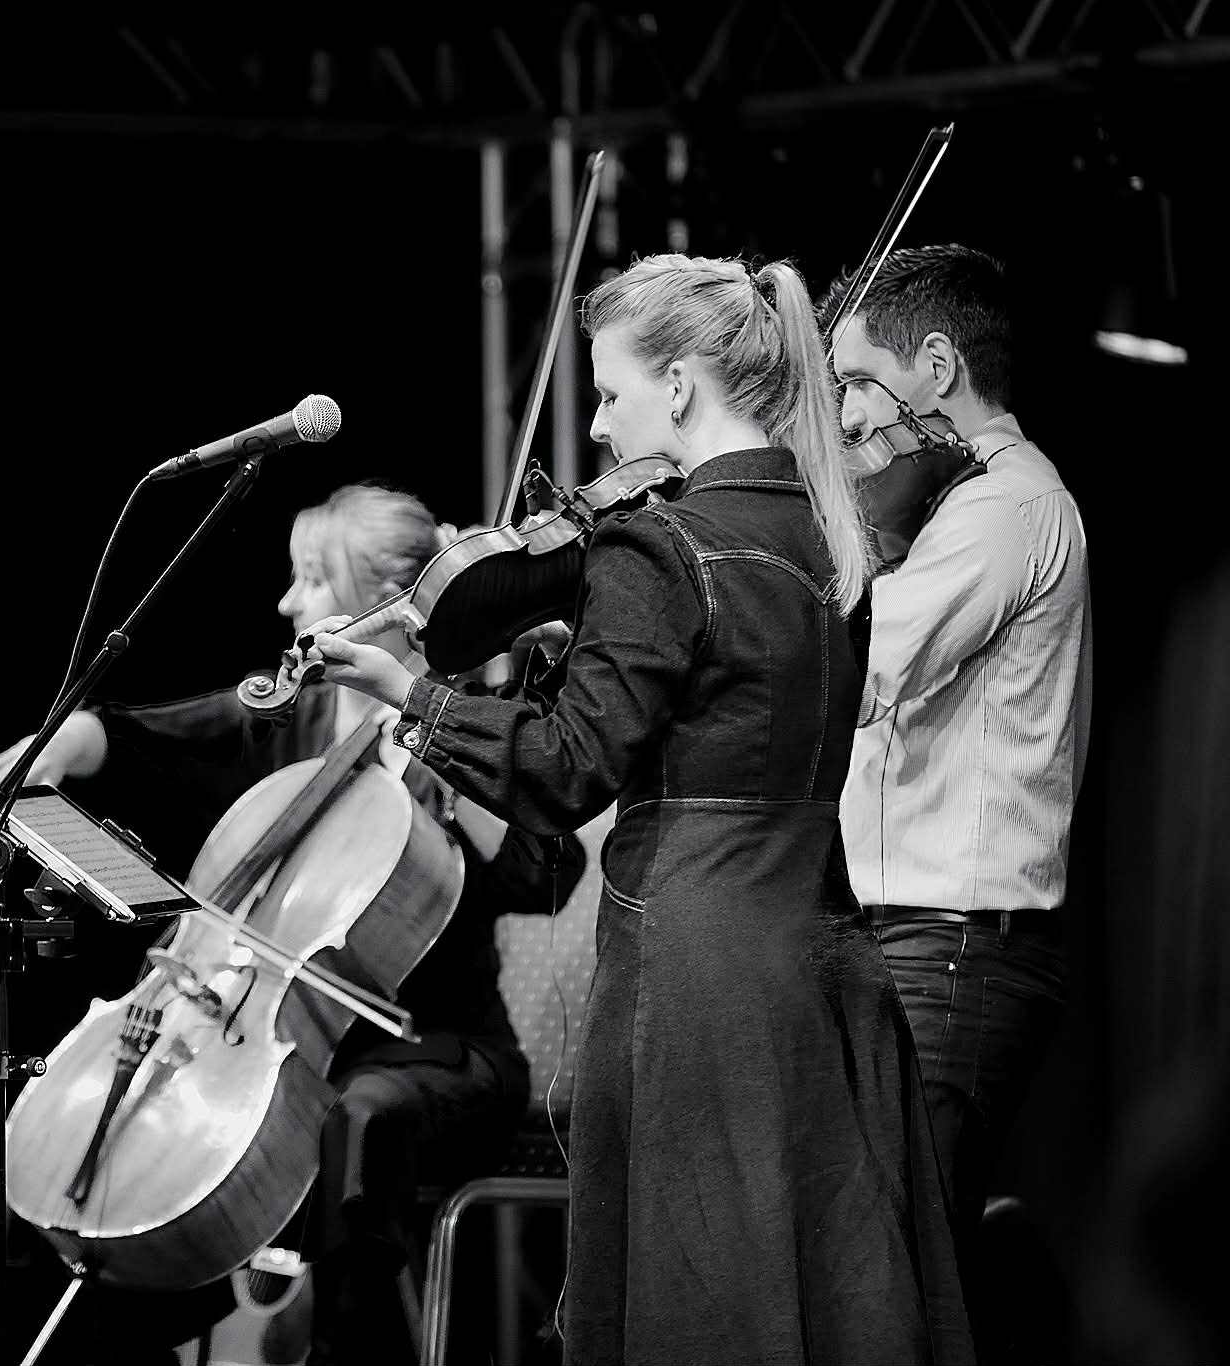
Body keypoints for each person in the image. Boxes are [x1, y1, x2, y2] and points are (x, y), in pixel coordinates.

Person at [303, 255, 973, 1363]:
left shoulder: (653, 544)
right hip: (820, 964)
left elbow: (568, 772)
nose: (601, 430)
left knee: (701, 1304)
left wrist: (408, 695)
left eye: (609, 393)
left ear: (675, 387)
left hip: (694, 979)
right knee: (820, 1300)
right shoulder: (829, 540)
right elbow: (741, 718)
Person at [0, 482, 583, 1366]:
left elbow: (548, 876)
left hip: (434, 1047)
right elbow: (153, 737)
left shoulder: (467, 723)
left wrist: (436, 737)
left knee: (356, 1121)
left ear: (388, 601)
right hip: (258, 1033)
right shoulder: (288, 712)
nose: (286, 602)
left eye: (311, 580)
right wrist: (63, 744)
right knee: (143, 1159)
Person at [820, 243, 1088, 1357]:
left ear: (934, 364)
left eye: (850, 381)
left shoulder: (1004, 508)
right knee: (891, 1277)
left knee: (890, 1293)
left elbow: (864, 666)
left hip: (953, 951)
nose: (837, 415)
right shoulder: (943, 508)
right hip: (911, 942)